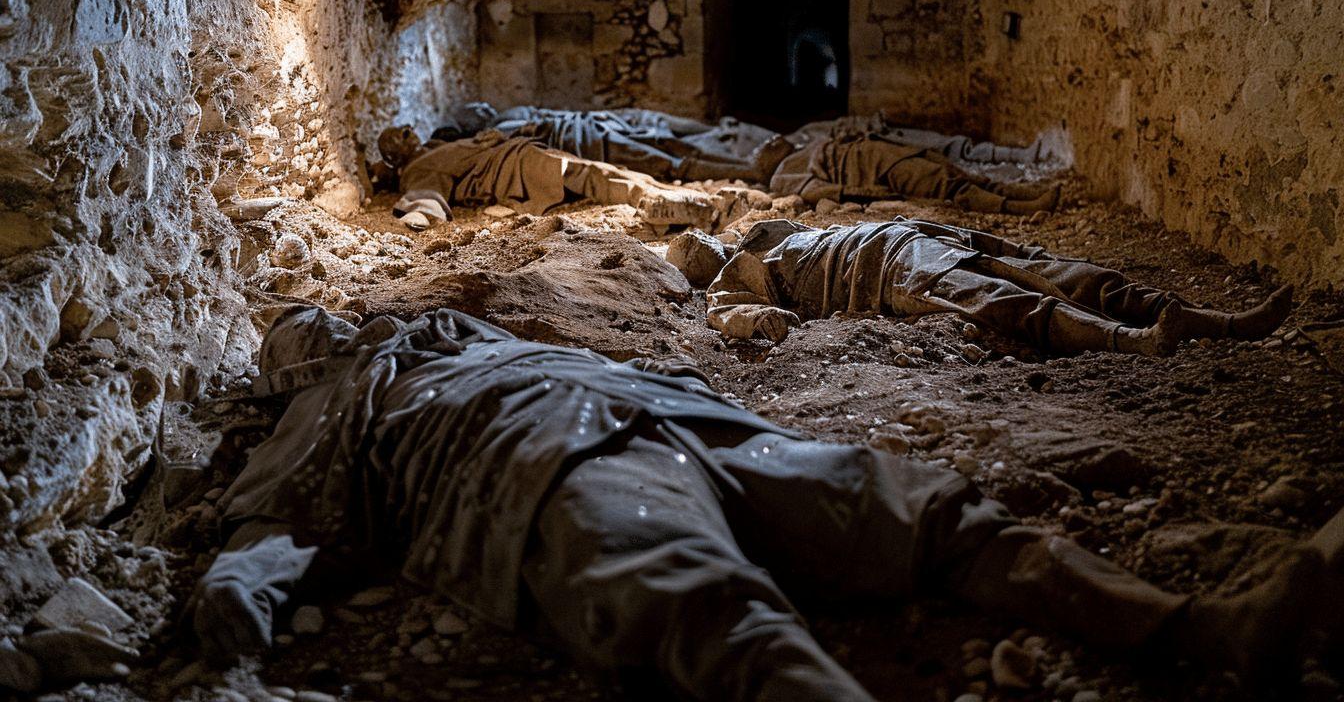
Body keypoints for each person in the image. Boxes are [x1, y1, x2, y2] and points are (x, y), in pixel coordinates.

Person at [187, 306, 1339, 701]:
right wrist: (240, 588)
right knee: (714, 611)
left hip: (696, 426)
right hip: (540, 473)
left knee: (925, 510)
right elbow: (279, 522)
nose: (338, 325)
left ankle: (1200, 629)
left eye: (333, 316)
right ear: (296, 367)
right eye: (311, 333)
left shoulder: (463, 329)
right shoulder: (336, 405)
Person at [705, 218, 1294, 355]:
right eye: (690, 250)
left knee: (1066, 273)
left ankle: (1211, 320)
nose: (701, 244)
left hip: (909, 236)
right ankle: (1130, 340)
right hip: (886, 277)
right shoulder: (730, 286)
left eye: (697, 237)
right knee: (1008, 303)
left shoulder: (768, 232)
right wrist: (762, 322)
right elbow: (735, 318)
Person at [376, 125, 723, 230]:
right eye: (400, 135)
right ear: (396, 155)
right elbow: (425, 193)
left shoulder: (434, 148)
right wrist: (421, 213)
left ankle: (673, 193)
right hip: (512, 169)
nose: (409, 129)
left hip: (518, 153)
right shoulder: (419, 169)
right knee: (591, 175)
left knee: (600, 170)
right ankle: (658, 202)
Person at [768, 131, 1061, 214]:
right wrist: (876, 195)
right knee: (945, 185)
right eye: (764, 149)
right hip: (876, 169)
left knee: (957, 172)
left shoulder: (802, 145)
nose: (769, 142)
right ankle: (1018, 208)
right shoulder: (782, 176)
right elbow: (826, 191)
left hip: (886, 149)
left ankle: (1018, 192)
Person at [489, 105, 794, 184]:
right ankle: (752, 173)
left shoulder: (503, 118)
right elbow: (536, 132)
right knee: (668, 163)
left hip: (598, 128)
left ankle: (746, 164)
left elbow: (545, 120)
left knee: (670, 143)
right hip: (593, 143)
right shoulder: (497, 128)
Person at [787, 113, 1058, 169]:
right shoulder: (799, 157)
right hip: (882, 155)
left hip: (887, 140)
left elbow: (844, 125)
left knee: (953, 146)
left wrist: (866, 125)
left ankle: (1017, 156)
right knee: (946, 164)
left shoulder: (809, 130)